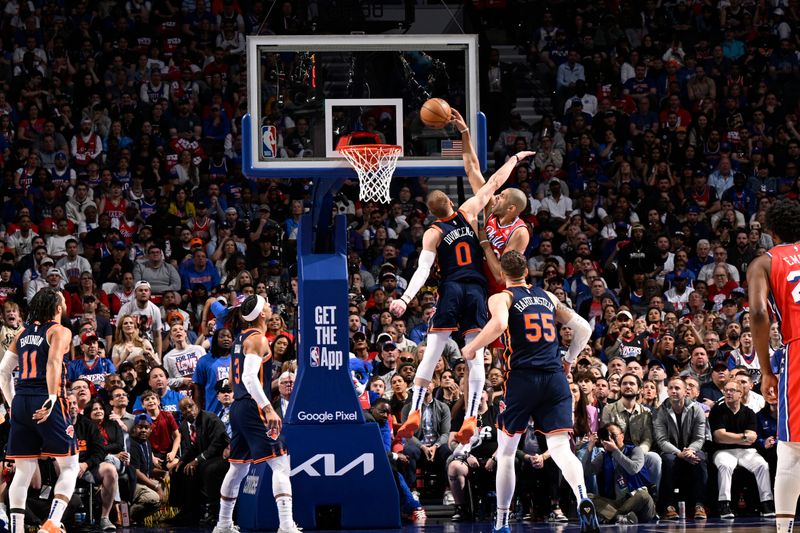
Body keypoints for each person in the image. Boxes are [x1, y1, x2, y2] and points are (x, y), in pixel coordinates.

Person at [390, 149, 535, 444]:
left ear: (432, 214)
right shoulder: (469, 212)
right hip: (478, 290)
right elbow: (494, 181)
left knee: (432, 350)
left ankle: (415, 410)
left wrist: (405, 299)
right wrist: (514, 159)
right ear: (453, 205)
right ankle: (471, 417)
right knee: (476, 356)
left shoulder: (433, 232)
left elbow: (422, 270)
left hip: (452, 287)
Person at [460, 251, 598, 533]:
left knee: (507, 453)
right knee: (560, 448)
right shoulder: (547, 296)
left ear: (502, 274)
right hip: (555, 378)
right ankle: (583, 495)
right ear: (527, 271)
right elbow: (583, 328)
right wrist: (569, 359)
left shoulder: (502, 297)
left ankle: (501, 522)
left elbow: (498, 324)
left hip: (522, 379)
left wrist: (473, 347)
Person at [214, 295, 300, 533]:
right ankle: (286, 525)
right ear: (261, 313)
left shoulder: (239, 339)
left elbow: (233, 379)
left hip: (239, 408)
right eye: (267, 304)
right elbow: (250, 378)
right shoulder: (258, 339)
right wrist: (268, 407)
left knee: (238, 467)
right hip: (253, 407)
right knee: (281, 462)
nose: (271, 306)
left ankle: (222, 524)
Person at [0, 288, 79, 533]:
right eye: (63, 301)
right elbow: (54, 361)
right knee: (70, 466)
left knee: (23, 471)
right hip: (46, 399)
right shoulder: (60, 330)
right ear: (57, 307)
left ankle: (17, 529)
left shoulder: (21, 333)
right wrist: (53, 397)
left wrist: (13, 404)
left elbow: (3, 373)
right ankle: (52, 524)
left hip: (21, 400)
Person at [747, 198, 800, 533]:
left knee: (792, 449)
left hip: (798, 349)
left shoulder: (763, 263)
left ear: (770, 230)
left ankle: (783, 531)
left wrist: (766, 369)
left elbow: (759, 314)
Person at [709, 380, 775, 519]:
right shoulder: (717, 410)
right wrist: (743, 437)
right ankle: (724, 503)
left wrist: (733, 437)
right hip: (723, 450)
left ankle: (766, 502)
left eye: (732, 390)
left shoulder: (749, 412)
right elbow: (719, 437)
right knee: (726, 465)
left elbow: (752, 438)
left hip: (747, 451)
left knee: (762, 465)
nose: (728, 393)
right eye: (726, 390)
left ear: (740, 394)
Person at [653, 376, 708, 520]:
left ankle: (699, 504)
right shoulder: (660, 411)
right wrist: (679, 453)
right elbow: (661, 440)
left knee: (700, 459)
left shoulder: (697, 409)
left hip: (691, 450)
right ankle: (668, 506)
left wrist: (690, 450)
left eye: (677, 388)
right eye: (670, 388)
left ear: (685, 391)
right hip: (671, 451)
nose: (673, 391)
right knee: (668, 459)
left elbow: (699, 437)